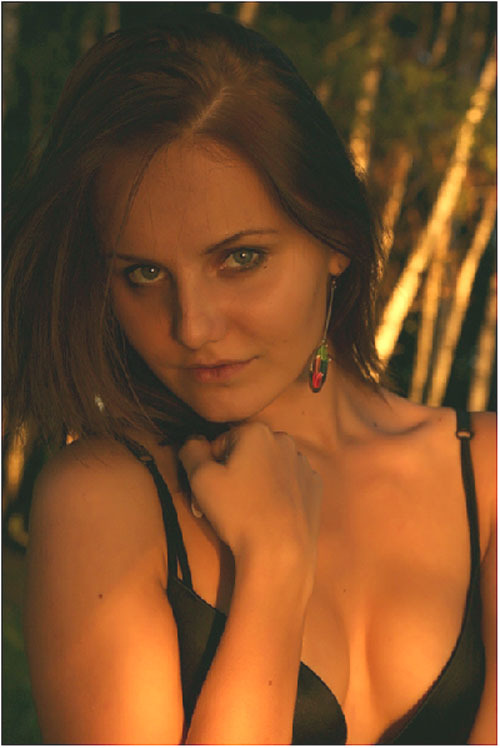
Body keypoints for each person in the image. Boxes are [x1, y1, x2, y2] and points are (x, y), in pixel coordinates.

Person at [4, 11, 496, 745]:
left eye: (240, 259)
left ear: (335, 236)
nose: (193, 326)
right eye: (144, 274)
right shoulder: (104, 501)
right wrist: (272, 572)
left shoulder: (487, 474)